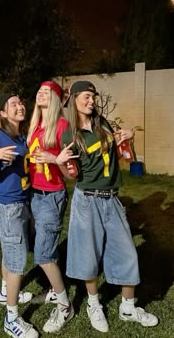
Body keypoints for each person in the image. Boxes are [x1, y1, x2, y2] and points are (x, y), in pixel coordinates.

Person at [57, 80, 158, 333]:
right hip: (87, 200)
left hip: (111, 198)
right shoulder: (69, 133)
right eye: (86, 96)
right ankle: (94, 304)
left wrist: (129, 139)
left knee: (127, 253)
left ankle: (128, 307)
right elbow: (72, 175)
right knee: (88, 254)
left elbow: (126, 158)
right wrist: (60, 163)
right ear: (74, 99)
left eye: (93, 96)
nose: (92, 100)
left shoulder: (103, 124)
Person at [0, 93, 38, 338]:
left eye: (20, 102)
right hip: (9, 205)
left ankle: (5, 293)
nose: (20, 105)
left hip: (21, 200)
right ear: (2, 113)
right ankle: (11, 319)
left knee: (10, 250)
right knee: (17, 259)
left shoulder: (21, 135)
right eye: (13, 104)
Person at [27, 81, 74, 334]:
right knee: (45, 248)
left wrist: (55, 159)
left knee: (44, 254)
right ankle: (55, 292)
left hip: (52, 196)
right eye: (39, 90)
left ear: (55, 99)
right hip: (35, 195)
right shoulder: (35, 127)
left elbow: (72, 174)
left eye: (46, 91)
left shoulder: (62, 127)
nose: (40, 93)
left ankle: (65, 306)